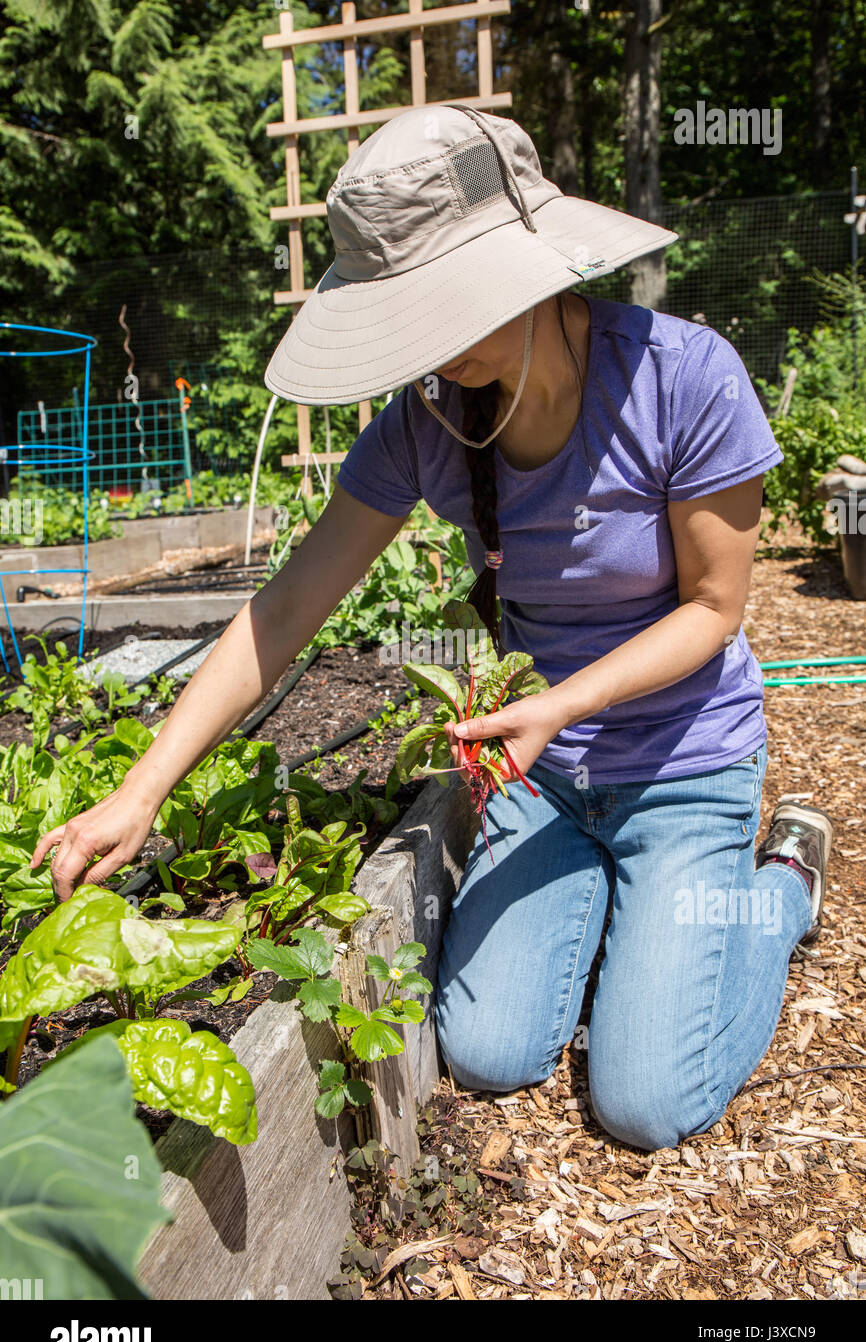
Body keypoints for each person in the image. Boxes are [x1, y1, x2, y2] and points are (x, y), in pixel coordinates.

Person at [32, 104, 833, 1153]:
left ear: (530, 271)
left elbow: (713, 610)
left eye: (444, 305)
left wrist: (557, 702)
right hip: (537, 776)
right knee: (489, 1052)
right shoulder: (426, 426)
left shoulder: (681, 380)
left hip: (680, 761)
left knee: (644, 1104)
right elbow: (282, 610)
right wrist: (139, 791)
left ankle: (777, 887)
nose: (426, 344)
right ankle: (627, 925)